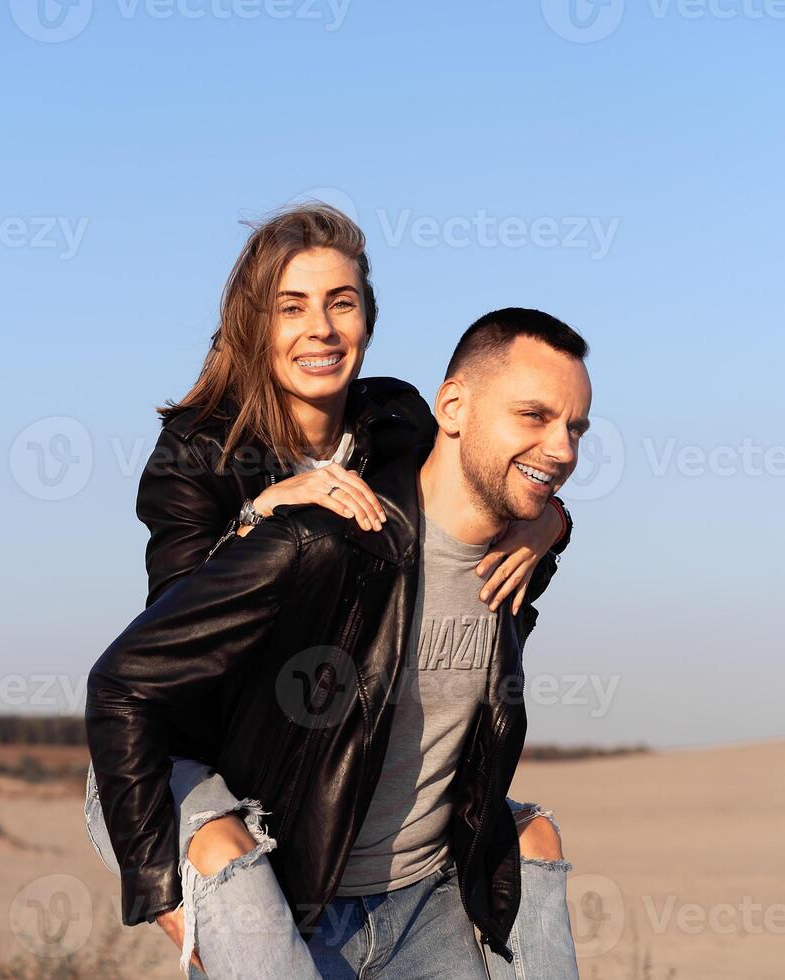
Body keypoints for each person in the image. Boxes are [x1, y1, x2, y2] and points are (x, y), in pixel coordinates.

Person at [85, 205, 575, 976]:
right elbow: (177, 639)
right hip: (190, 756)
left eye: (340, 303)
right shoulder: (196, 452)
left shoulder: (396, 419)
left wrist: (548, 524)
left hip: (322, 753)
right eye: (292, 306)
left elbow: (479, 486)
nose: (321, 327)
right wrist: (260, 517)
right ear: (254, 325)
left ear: (367, 320)